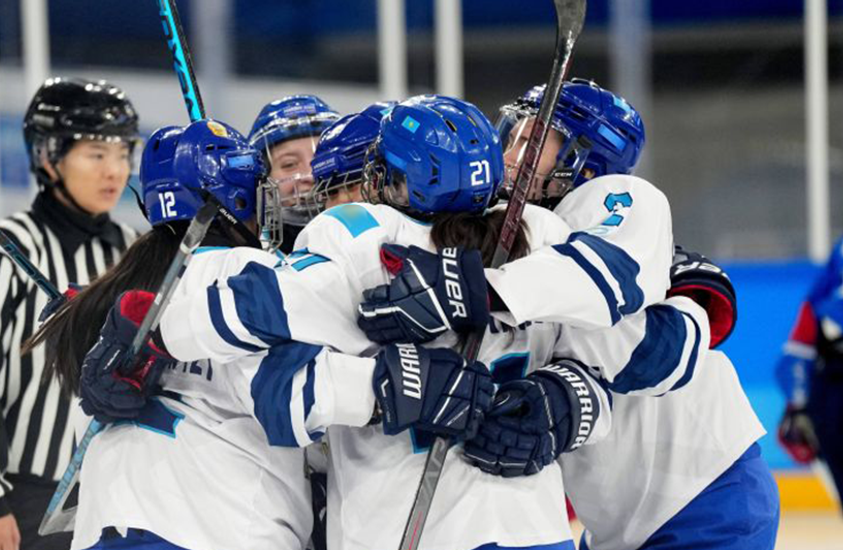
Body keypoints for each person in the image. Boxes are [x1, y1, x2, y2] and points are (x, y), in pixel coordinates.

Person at [133, 95, 711, 550]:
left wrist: (145, 334)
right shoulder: (543, 236)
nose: (319, 202)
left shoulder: (358, 237)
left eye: (339, 183)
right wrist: (576, 402)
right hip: (533, 532)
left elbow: (262, 378)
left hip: (400, 532)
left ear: (385, 180)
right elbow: (655, 356)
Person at [36, 117, 493, 550]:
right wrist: (400, 385)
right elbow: (290, 397)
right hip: (219, 529)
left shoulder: (104, 298)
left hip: (106, 526)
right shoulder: (250, 272)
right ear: (234, 200)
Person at [358, 80, 777, 549]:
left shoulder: (614, 198)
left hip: (707, 494)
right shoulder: (514, 229)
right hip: (614, 525)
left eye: (533, 140)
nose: (511, 154)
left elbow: (654, 345)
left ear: (585, 160)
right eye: (513, 135)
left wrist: (472, 292)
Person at [0, 77, 140, 550]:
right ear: (48, 157)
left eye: (123, 153)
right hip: (5, 501)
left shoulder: (132, 252)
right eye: (96, 154)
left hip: (95, 497)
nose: (115, 170)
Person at [776, 235, 843, 512]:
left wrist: (798, 405)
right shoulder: (821, 303)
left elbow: (793, 358)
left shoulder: (821, 301)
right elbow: (795, 356)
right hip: (831, 398)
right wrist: (798, 406)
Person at [248, 94, 339, 253]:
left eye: (322, 158)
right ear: (262, 178)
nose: (310, 175)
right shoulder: (248, 259)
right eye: (289, 164)